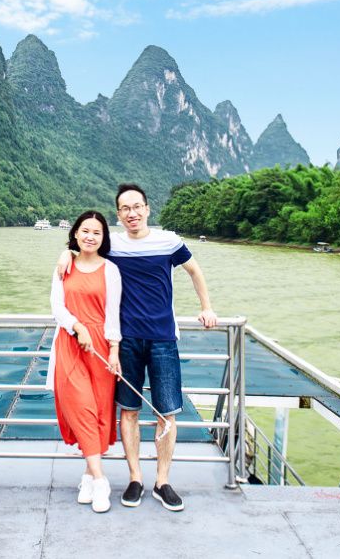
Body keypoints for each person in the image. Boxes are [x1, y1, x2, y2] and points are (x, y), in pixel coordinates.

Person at [58, 183, 216, 512]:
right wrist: (66, 253)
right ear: (118, 214)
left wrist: (207, 307)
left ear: (147, 209)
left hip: (163, 338)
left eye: (137, 207)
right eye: (125, 209)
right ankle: (135, 478)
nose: (132, 213)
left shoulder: (169, 241)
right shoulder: (113, 244)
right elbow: (84, 249)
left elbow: (194, 270)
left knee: (166, 412)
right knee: (128, 410)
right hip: (126, 339)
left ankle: (162, 481)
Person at [48, 210, 122, 514]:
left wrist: (114, 350)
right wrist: (77, 327)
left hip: (101, 346)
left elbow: (113, 313)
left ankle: (90, 477)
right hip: (71, 342)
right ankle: (102, 481)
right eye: (85, 231)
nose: (90, 237)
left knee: (100, 412)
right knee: (81, 408)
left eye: (97, 232)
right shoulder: (64, 265)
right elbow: (56, 306)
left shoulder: (111, 270)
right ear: (76, 233)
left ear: (103, 238)